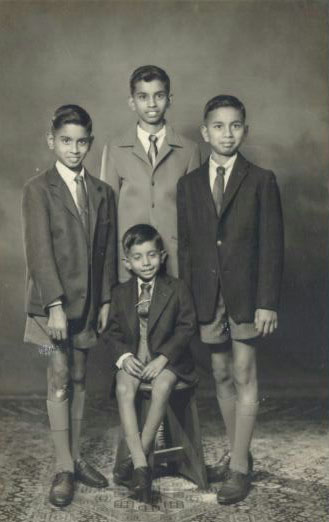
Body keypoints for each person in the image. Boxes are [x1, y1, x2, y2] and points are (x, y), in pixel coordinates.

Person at [177, 95, 284, 504]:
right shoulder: (188, 185)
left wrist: (267, 301)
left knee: (243, 372)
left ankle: (238, 468)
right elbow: (187, 249)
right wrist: (188, 303)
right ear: (205, 133)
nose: (227, 133)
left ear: (245, 130)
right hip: (207, 297)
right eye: (218, 126)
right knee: (219, 374)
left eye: (235, 125)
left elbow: (272, 246)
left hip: (245, 296)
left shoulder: (261, 179)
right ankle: (241, 453)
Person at [22, 104, 117, 507]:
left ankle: (75, 458)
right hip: (51, 309)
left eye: (81, 142)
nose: (74, 149)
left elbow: (108, 250)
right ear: (51, 141)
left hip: (89, 306)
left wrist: (108, 297)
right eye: (66, 141)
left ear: (90, 144)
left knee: (80, 376)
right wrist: (55, 305)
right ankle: (64, 467)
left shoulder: (102, 192)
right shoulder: (38, 190)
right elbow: (39, 252)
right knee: (58, 374)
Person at [105, 224, 196, 502]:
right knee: (123, 388)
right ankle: (143, 467)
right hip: (135, 359)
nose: (146, 263)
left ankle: (136, 462)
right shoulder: (121, 293)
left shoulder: (177, 288)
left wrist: (164, 357)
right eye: (137, 257)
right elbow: (113, 331)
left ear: (163, 256)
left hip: (169, 362)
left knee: (162, 385)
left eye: (152, 255)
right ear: (127, 262)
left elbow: (187, 326)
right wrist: (124, 356)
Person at [100, 65, 200, 281]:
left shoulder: (190, 150)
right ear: (132, 102)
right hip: (128, 262)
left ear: (170, 99)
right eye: (143, 97)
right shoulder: (115, 149)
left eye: (159, 96)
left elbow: (194, 217)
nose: (152, 104)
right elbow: (106, 216)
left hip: (174, 263)